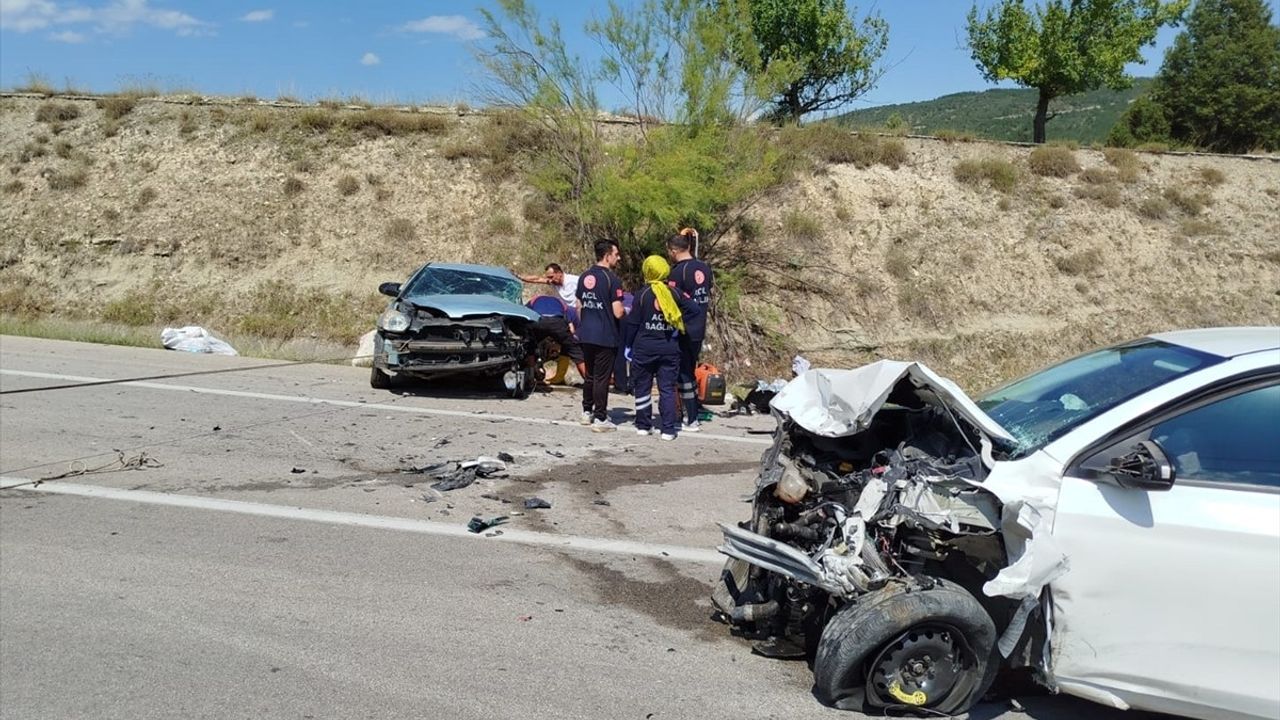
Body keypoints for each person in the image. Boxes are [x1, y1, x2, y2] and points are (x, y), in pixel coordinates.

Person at [624, 255, 703, 441]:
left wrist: (628, 344)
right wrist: (678, 321)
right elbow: (695, 309)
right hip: (669, 348)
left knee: (642, 387)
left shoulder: (642, 295)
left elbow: (633, 323)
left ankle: (643, 425)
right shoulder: (674, 293)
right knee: (667, 389)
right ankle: (668, 429)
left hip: (644, 348)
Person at [667, 227, 714, 432]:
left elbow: (671, 301)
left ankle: (691, 417)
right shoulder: (704, 268)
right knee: (688, 370)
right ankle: (688, 412)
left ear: (674, 251)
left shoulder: (678, 272)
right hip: (699, 326)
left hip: (683, 329)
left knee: (684, 373)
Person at [575, 240, 625, 432]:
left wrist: (585, 325)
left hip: (586, 333)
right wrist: (627, 311)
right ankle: (601, 418)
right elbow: (618, 312)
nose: (618, 258)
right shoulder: (612, 280)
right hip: (605, 335)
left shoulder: (584, 277)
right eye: (616, 254)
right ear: (607, 256)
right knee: (602, 378)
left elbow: (579, 306)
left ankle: (586, 412)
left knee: (590, 375)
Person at [526, 294, 586, 384]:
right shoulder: (564, 305)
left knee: (529, 345)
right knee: (575, 351)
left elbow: (525, 316)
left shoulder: (532, 301)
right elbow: (573, 329)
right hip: (557, 322)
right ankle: (589, 381)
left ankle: (531, 376)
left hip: (539, 320)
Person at [515, 262, 579, 308]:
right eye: (548, 277)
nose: (550, 280)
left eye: (551, 277)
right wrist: (520, 277)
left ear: (559, 273)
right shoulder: (554, 282)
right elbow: (537, 279)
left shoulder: (575, 281)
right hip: (567, 311)